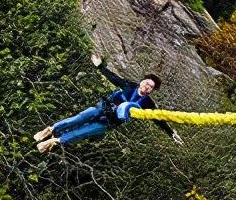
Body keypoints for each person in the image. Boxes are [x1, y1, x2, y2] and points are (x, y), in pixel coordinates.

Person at [34, 53, 183, 152]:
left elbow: (157, 118)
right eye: (146, 83)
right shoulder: (128, 85)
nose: (146, 86)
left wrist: (171, 133)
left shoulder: (147, 103)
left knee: (81, 133)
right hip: (101, 109)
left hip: (109, 123)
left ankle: (53, 142)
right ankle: (50, 130)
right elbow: (113, 78)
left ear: (151, 90)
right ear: (142, 81)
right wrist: (99, 66)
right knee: (77, 119)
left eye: (150, 87)